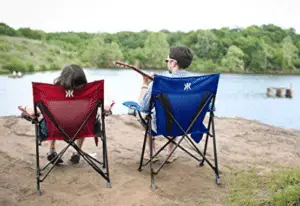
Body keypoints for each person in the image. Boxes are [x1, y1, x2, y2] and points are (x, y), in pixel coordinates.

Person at [19, 64, 113, 164]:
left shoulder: (51, 94)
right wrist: (109, 103)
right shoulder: (90, 93)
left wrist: (24, 107)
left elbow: (34, 112)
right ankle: (77, 152)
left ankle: (51, 150)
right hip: (83, 129)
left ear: (62, 77)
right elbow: (106, 108)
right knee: (84, 119)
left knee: (50, 119)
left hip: (55, 130)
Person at [138, 46, 194, 163]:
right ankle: (171, 152)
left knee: (142, 114)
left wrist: (145, 84)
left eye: (167, 60)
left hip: (163, 125)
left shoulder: (160, 82)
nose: (167, 63)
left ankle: (152, 153)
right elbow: (211, 108)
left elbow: (143, 107)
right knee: (178, 111)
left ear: (173, 63)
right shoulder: (198, 83)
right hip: (189, 125)